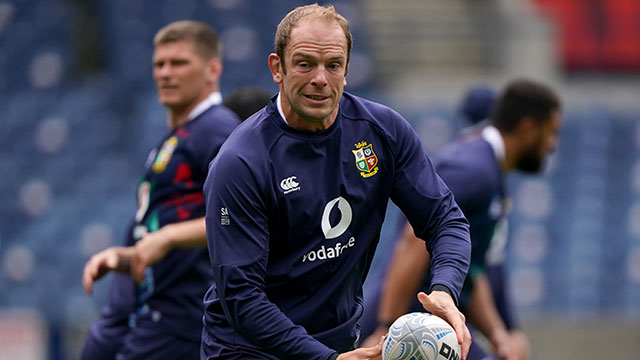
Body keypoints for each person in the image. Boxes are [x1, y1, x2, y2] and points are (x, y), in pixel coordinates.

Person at [201, 4, 472, 360]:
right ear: (276, 68)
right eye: (304, 64)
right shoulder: (241, 162)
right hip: (251, 351)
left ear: (346, 70)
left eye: (333, 65)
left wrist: (444, 289)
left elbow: (445, 220)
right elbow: (242, 297)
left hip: (337, 346)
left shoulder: (382, 132)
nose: (320, 78)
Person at [360, 79, 562, 360]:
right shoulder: (472, 169)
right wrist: (385, 326)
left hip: (431, 324)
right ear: (527, 128)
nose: (553, 145)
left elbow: (469, 268)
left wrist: (498, 335)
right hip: (410, 325)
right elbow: (414, 241)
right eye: (551, 133)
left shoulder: (489, 170)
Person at [80, 20, 240, 360]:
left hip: (184, 313)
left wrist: (167, 237)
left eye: (178, 63)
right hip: (155, 305)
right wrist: (127, 255)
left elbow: (242, 219)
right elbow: (171, 218)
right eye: (159, 64)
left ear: (213, 69)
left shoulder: (217, 129)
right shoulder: (180, 134)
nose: (165, 73)